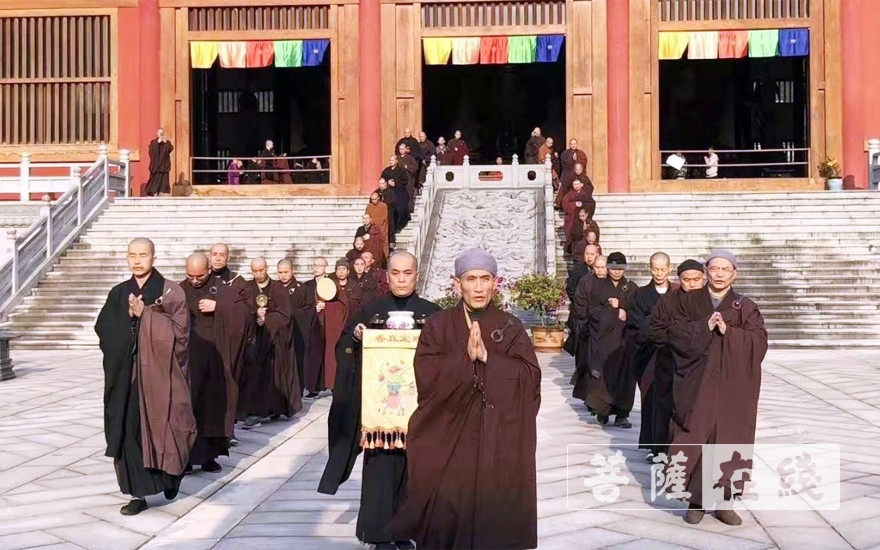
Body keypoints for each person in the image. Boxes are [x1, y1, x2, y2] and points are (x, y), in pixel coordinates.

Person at [392, 248, 541, 549]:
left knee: (494, 520)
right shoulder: (438, 325)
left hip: (496, 439)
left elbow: (530, 379)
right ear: (456, 283)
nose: (478, 287)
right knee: (446, 516)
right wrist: (464, 361)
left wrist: (488, 359)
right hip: (449, 438)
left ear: (495, 283)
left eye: (485, 279)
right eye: (470, 279)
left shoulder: (510, 326)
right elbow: (426, 377)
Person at [318, 251, 440, 550]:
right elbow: (344, 344)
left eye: (407, 273)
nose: (401, 278)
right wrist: (356, 336)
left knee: (415, 472)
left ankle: (406, 530)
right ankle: (377, 533)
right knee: (381, 470)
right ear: (387, 277)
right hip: (380, 416)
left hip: (418, 413)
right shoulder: (371, 311)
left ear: (416, 274)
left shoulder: (434, 313)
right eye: (395, 273)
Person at [663, 250, 767, 526]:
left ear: (735, 273)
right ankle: (695, 501)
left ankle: (724, 502)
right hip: (697, 383)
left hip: (734, 387)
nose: (719, 274)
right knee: (694, 436)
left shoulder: (744, 307)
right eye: (714, 268)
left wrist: (729, 333)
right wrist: (703, 327)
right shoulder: (688, 301)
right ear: (706, 271)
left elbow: (759, 342)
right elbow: (672, 333)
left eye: (725, 269)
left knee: (731, 439)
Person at [95, 238, 195, 515]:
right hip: (127, 376)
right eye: (132, 255)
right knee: (129, 431)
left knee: (164, 427)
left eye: (143, 255)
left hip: (161, 376)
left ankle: (171, 475)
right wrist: (127, 317)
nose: (137, 260)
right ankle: (137, 494)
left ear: (153, 256)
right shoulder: (118, 292)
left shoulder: (171, 291)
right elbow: (103, 330)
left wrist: (147, 316)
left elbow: (182, 335)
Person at [180, 253, 249, 473]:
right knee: (189, 407)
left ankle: (210, 456)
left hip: (216, 359)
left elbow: (244, 315)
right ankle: (187, 458)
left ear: (209, 269)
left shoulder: (222, 289)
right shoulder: (179, 289)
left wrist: (218, 307)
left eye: (199, 276)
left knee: (214, 407)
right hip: (189, 360)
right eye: (190, 275)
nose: (194, 280)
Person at [645, 259, 706, 459]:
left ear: (704, 278)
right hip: (670, 362)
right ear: (679, 279)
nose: (692, 283)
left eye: (696, 279)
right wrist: (680, 337)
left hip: (701, 366)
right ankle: (661, 449)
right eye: (687, 280)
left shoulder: (711, 302)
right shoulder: (668, 301)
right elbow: (654, 330)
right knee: (665, 405)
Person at [625, 252, 677, 458]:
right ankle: (651, 445)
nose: (659, 273)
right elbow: (635, 324)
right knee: (651, 399)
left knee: (672, 400)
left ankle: (669, 444)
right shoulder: (639, 295)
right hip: (649, 354)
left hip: (673, 354)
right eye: (655, 268)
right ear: (650, 268)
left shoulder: (677, 292)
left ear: (669, 268)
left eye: (663, 269)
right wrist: (655, 327)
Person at [240, 257, 300, 429]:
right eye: (255, 271)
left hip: (274, 342)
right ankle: (253, 412)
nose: (258, 274)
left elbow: (286, 315)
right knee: (253, 375)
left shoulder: (278, 288)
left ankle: (273, 409)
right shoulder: (247, 288)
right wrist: (254, 316)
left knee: (273, 376)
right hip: (253, 342)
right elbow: (241, 312)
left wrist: (267, 319)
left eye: (261, 270)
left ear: (267, 269)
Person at [585, 252, 639, 427]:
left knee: (625, 377)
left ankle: (622, 414)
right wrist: (613, 310)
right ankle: (603, 412)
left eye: (620, 269)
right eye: (613, 268)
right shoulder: (598, 286)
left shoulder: (631, 287)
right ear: (608, 268)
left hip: (624, 340)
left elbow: (637, 313)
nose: (616, 272)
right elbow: (592, 311)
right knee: (603, 376)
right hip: (604, 339)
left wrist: (624, 309)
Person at [292, 257, 329, 398]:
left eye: (320, 265)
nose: (317, 268)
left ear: (325, 267)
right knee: (314, 353)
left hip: (329, 321)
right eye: (315, 265)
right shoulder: (307, 285)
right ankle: (313, 386)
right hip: (313, 322)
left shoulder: (331, 283)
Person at [144, 129, 173, 196]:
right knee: (155, 180)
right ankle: (154, 192)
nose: (161, 134)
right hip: (156, 166)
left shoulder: (167, 143)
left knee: (164, 181)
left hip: (164, 166)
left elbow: (170, 149)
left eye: (162, 133)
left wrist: (165, 142)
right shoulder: (154, 142)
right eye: (159, 133)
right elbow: (151, 152)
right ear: (157, 133)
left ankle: (162, 192)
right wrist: (158, 142)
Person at [366, 192, 390, 258]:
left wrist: (375, 222)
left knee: (383, 243)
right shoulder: (369, 206)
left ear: (378, 198)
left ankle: (384, 257)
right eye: (372, 199)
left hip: (382, 227)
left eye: (375, 199)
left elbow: (384, 217)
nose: (374, 201)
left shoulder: (383, 205)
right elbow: (367, 216)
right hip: (372, 228)